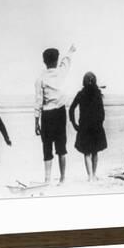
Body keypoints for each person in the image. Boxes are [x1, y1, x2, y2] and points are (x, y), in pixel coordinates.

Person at [34, 44, 76, 184]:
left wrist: (36, 122)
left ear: (44, 61)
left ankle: (47, 180)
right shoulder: (61, 72)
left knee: (47, 147)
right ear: (56, 60)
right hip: (60, 113)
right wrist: (70, 51)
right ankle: (63, 179)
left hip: (47, 115)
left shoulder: (40, 78)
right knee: (61, 147)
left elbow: (38, 101)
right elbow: (67, 61)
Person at [68, 72, 107, 181]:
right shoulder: (98, 93)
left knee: (87, 152)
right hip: (96, 126)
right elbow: (102, 112)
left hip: (84, 127)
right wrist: (100, 123)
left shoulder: (81, 94)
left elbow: (71, 109)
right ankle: (93, 175)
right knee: (95, 152)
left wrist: (74, 124)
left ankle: (90, 176)